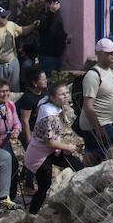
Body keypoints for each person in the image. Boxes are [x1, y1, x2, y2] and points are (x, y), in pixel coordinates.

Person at [23, 80, 84, 214]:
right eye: (61, 94)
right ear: (52, 97)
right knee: (44, 185)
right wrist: (67, 147)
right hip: (39, 154)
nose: (66, 96)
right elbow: (49, 142)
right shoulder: (48, 115)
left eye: (66, 93)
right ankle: (32, 213)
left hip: (51, 151)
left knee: (77, 165)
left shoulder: (51, 104)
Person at [78, 39, 113, 162]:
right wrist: (98, 128)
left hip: (107, 122)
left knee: (101, 156)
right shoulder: (93, 75)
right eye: (110, 53)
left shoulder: (110, 72)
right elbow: (88, 106)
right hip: (97, 124)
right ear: (99, 53)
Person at [0, 9, 36, 91]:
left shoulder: (10, 25)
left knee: (14, 90)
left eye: (6, 16)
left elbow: (22, 31)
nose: (6, 18)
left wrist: (33, 25)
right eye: (4, 17)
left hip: (12, 62)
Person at [35, 0, 68, 75]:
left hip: (58, 55)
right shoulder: (43, 16)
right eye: (50, 3)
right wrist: (51, 12)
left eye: (55, 3)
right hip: (47, 56)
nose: (52, 5)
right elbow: (46, 26)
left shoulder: (58, 16)